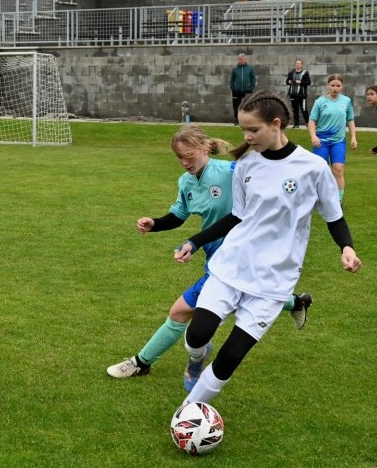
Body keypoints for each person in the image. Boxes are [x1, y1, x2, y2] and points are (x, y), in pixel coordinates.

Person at [174, 91, 361, 407]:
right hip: (233, 265)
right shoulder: (247, 163)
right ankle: (196, 358)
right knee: (196, 335)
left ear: (276, 124)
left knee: (231, 356)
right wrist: (196, 241)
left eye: (253, 130)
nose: (247, 137)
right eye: (243, 130)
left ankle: (189, 412)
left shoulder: (313, 168)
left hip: (274, 279)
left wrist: (347, 248)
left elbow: (335, 217)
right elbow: (237, 216)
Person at [107, 126, 313, 389]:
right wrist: (155, 224)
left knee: (180, 310)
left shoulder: (230, 172)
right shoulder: (186, 182)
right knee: (250, 298)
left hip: (240, 260)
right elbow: (179, 215)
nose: (184, 163)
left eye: (189, 156)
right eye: (179, 158)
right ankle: (296, 303)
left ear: (205, 148)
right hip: (217, 261)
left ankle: (142, 362)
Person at [308, 73, 357, 202]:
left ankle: (338, 201)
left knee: (338, 169)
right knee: (320, 171)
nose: (335, 88)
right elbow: (312, 121)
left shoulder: (346, 101)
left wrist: (353, 137)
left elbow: (350, 120)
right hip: (321, 142)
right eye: (332, 85)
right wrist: (313, 136)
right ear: (328, 86)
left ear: (342, 86)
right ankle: (318, 198)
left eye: (338, 85)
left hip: (338, 141)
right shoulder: (320, 101)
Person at [229, 53, 256, 122]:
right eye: (240, 59)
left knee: (248, 106)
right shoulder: (235, 69)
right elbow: (232, 79)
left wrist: (252, 87)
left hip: (247, 91)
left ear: (245, 59)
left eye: (243, 59)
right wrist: (233, 88)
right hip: (236, 91)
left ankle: (247, 120)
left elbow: (253, 78)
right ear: (238, 60)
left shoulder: (250, 68)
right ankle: (236, 119)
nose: (241, 61)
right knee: (236, 106)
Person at [285, 59, 311, 128]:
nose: (298, 65)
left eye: (299, 63)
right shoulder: (291, 73)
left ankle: (308, 123)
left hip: (302, 95)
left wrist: (300, 82)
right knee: (295, 110)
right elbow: (287, 81)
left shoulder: (305, 73)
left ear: (302, 65)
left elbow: (308, 82)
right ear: (295, 64)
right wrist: (289, 82)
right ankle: (296, 124)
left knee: (304, 109)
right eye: (296, 63)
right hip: (293, 94)